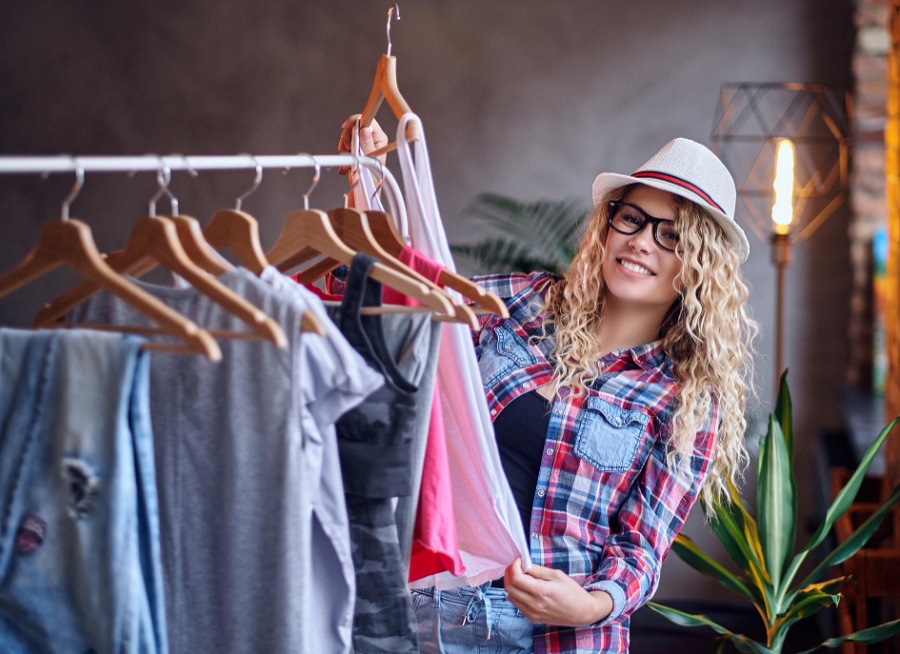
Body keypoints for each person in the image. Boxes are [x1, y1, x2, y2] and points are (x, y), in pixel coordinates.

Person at [340, 119, 758, 654]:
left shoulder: (686, 399)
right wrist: (369, 183)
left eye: (671, 235)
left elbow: (641, 548)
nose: (639, 241)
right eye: (631, 219)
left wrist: (591, 604)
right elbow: (407, 301)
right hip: (434, 608)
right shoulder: (523, 303)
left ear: (699, 266)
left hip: (564, 636)